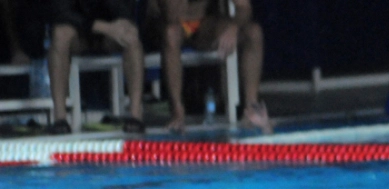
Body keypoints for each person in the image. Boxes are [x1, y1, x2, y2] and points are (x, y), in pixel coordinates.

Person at [157, 0, 271, 134]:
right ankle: (177, 111)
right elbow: (169, 13)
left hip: (205, 25)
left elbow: (244, 7)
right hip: (169, 23)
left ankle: (251, 109)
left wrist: (233, 27)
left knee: (254, 33)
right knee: (171, 32)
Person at [48, 0, 145, 134]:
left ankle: (135, 114)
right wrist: (103, 27)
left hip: (109, 35)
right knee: (60, 33)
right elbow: (61, 13)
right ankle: (60, 117)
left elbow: (124, 10)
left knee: (131, 33)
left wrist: (114, 27)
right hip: (79, 33)